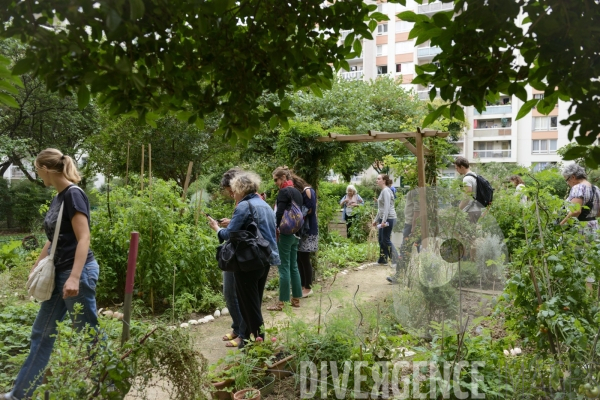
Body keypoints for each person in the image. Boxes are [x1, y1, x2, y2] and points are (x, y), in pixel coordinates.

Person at [3, 149, 99, 400]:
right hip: (59, 272)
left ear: (45, 169)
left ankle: (110, 385)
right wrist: (37, 265)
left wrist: (75, 277)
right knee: (41, 333)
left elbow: (84, 237)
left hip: (75, 272)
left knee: (88, 332)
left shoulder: (74, 195)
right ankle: (19, 395)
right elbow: (53, 239)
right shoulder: (59, 197)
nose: (37, 174)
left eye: (37, 169)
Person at [208, 171, 279, 347]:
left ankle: (257, 345)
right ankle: (247, 342)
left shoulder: (243, 206)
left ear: (240, 189)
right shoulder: (265, 206)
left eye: (233, 190)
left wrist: (216, 228)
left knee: (249, 307)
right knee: (254, 303)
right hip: (265, 259)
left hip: (248, 262)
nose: (233, 194)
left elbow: (228, 235)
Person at [268, 167, 303, 311]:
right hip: (296, 233)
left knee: (283, 267)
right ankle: (296, 299)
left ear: (283, 177)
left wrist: (274, 230)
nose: (275, 183)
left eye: (276, 179)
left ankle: (282, 302)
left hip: (285, 234)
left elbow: (279, 214)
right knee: (293, 265)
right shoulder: (297, 192)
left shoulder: (284, 192)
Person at [218, 168, 246, 347]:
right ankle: (237, 327)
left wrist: (219, 229)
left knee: (239, 295)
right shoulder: (240, 202)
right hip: (234, 253)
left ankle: (243, 333)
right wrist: (232, 222)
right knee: (229, 292)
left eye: (230, 190)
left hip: (243, 256)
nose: (229, 193)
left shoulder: (250, 201)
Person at [291, 173, 318, 298]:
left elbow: (310, 209)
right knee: (299, 258)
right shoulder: (301, 193)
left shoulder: (307, 191)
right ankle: (302, 286)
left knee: (304, 258)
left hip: (308, 229)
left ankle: (308, 287)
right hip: (301, 229)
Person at [387, 188, 419, 284]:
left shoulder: (415, 190)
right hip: (412, 224)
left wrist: (414, 226)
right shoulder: (415, 189)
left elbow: (417, 209)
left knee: (404, 250)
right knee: (417, 250)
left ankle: (399, 276)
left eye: (407, 171)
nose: (405, 171)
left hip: (411, 225)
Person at [559, 164, 600, 233]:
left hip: (580, 229)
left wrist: (561, 225)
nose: (568, 183)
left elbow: (576, 211)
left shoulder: (578, 188)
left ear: (573, 177)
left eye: (567, 180)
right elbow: (599, 213)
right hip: (594, 228)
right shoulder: (596, 189)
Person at [373, 174, 399, 265]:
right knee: (381, 239)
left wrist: (383, 221)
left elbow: (387, 207)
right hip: (383, 218)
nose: (377, 180)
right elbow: (381, 208)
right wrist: (376, 220)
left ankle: (396, 260)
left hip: (389, 218)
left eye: (379, 179)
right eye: (377, 179)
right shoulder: (383, 191)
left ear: (384, 181)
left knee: (386, 239)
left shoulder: (386, 191)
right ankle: (383, 260)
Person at [454, 157, 484, 223]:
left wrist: (458, 210)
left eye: (457, 168)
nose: (457, 170)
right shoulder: (474, 176)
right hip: (476, 209)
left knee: (466, 233)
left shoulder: (467, 178)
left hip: (471, 210)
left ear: (462, 167)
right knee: (471, 232)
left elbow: (467, 197)